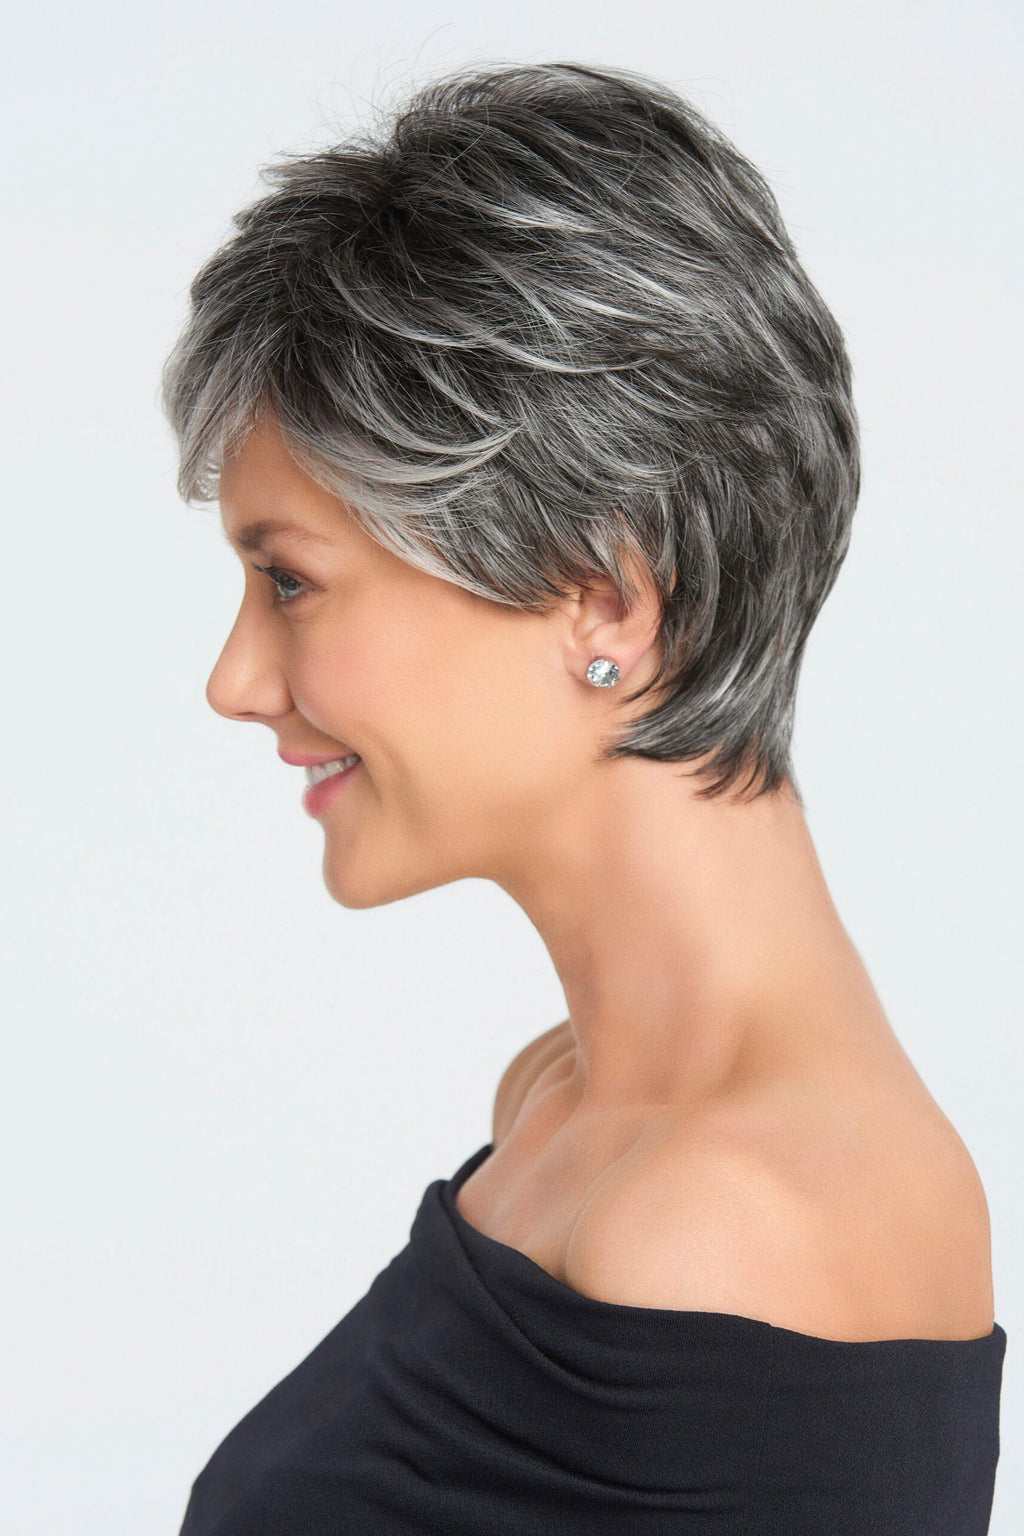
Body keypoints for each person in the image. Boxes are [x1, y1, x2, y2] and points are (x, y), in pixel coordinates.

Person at [161, 59, 1005, 1535]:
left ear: (606, 596)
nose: (235, 680)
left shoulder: (739, 1228)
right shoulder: (564, 1109)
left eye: (290, 580)